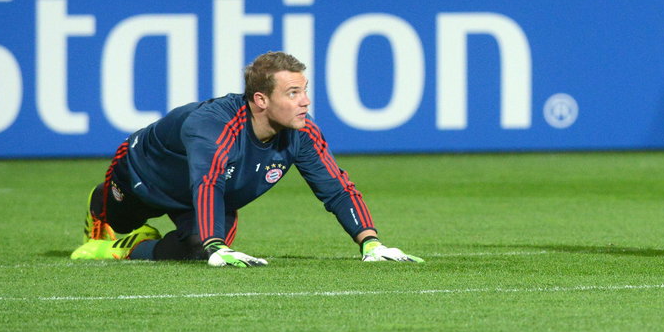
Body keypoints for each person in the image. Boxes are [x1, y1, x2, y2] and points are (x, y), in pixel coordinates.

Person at [70, 51, 423, 266]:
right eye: (293, 93)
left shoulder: (302, 133)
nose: (305, 102)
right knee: (117, 219)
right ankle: (103, 206)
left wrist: (371, 243)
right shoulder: (212, 125)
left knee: (197, 251)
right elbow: (206, 180)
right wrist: (216, 244)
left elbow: (337, 189)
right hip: (144, 178)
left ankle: (129, 248)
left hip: (203, 197)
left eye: (305, 91)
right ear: (261, 100)